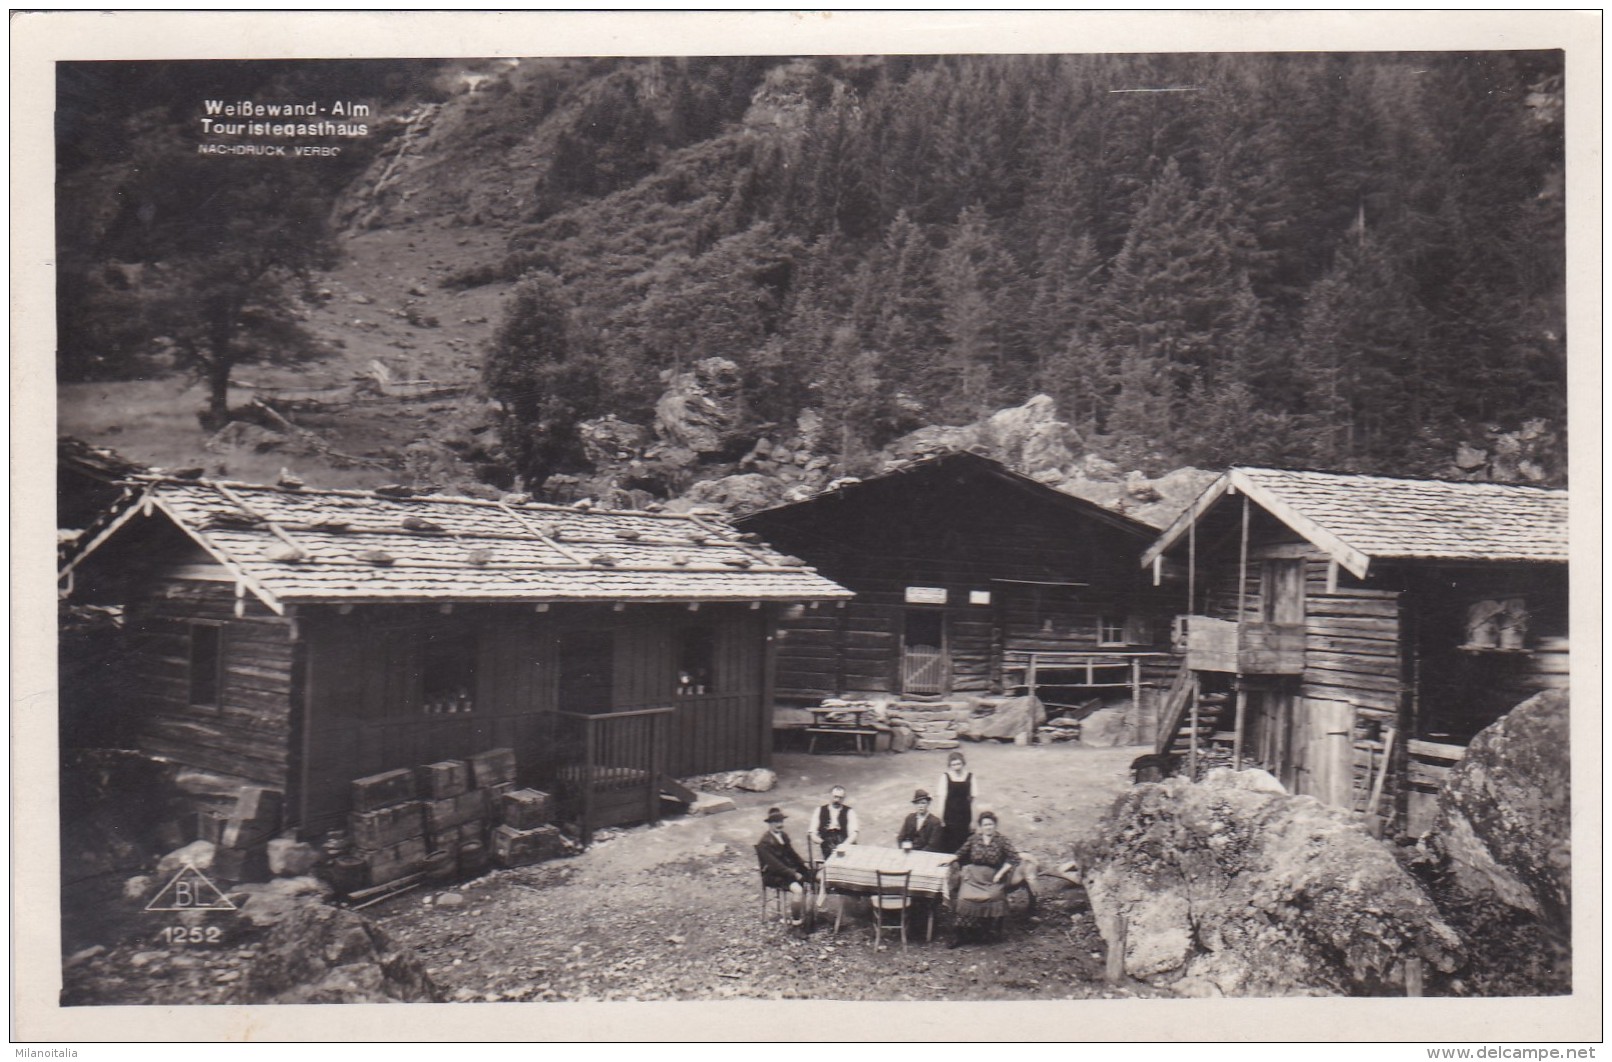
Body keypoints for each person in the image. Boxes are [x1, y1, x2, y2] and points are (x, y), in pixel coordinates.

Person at [947, 811, 1038, 947]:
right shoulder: (974, 839)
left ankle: (987, 931)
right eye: (985, 825)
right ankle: (960, 934)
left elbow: (1014, 857)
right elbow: (960, 853)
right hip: (973, 876)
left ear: (995, 825)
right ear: (981, 826)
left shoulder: (1001, 840)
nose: (988, 827)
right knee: (964, 897)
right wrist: (948, 859)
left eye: (990, 824)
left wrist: (1000, 873)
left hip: (993, 877)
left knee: (994, 897)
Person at [755, 808, 813, 936]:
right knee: (798, 890)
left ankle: (807, 916)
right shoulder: (764, 843)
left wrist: (805, 867)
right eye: (775, 822)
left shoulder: (783, 836)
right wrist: (794, 874)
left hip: (786, 870)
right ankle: (796, 925)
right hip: (773, 875)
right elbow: (775, 866)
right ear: (769, 824)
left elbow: (792, 854)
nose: (779, 825)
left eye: (780, 821)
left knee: (811, 879)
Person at [937, 752, 978, 853]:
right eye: (953, 765)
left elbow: (973, 801)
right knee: (949, 841)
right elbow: (942, 799)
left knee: (964, 841)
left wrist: (973, 821)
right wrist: (941, 818)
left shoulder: (970, 777)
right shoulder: (945, 777)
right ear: (950, 766)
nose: (957, 767)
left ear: (963, 763)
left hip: (965, 815)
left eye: (959, 764)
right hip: (950, 815)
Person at [809, 785, 859, 860]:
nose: (837, 800)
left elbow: (854, 833)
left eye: (840, 798)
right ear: (830, 796)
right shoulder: (819, 810)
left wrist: (844, 845)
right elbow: (812, 833)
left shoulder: (849, 811)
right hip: (826, 843)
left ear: (844, 798)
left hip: (844, 842)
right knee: (831, 861)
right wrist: (823, 842)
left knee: (842, 859)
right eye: (835, 796)